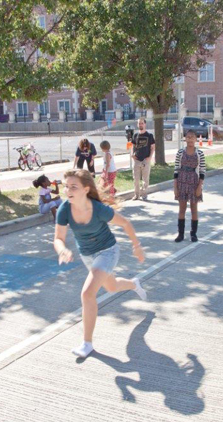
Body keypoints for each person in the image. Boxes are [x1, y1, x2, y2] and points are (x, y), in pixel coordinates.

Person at [55, 169, 147, 358]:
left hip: (108, 251)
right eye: (66, 186)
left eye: (74, 186)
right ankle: (133, 284)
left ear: (86, 189)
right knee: (112, 287)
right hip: (87, 255)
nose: (68, 190)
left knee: (88, 293)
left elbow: (126, 223)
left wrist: (136, 246)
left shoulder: (98, 209)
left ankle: (87, 344)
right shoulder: (64, 209)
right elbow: (58, 238)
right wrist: (62, 249)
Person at [173, 130, 205, 243]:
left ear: (196, 139)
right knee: (182, 208)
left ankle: (193, 234)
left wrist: (199, 187)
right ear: (185, 138)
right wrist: (175, 187)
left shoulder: (199, 154)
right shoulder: (180, 152)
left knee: (194, 209)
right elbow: (176, 169)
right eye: (188, 137)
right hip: (182, 181)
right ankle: (180, 234)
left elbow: (202, 171)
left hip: (194, 182)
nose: (190, 139)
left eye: (192, 137)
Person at [131, 118, 155, 201]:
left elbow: (152, 147)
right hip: (137, 160)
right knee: (136, 179)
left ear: (145, 124)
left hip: (146, 160)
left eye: (142, 123)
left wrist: (150, 157)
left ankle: (144, 194)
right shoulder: (135, 135)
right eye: (139, 123)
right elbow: (133, 146)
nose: (140, 125)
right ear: (137, 125)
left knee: (145, 179)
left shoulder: (149, 135)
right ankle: (136, 195)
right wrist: (132, 154)